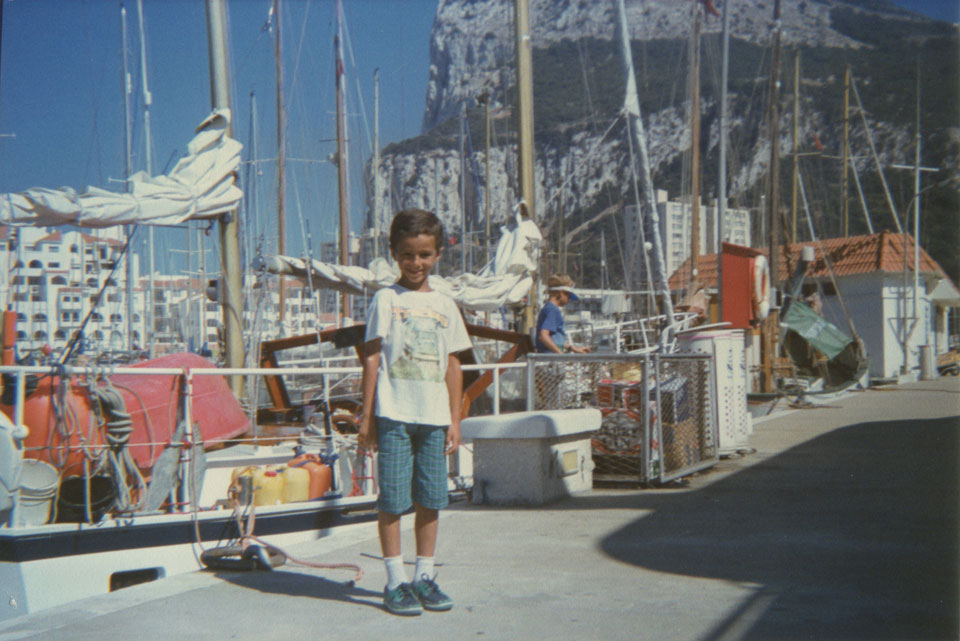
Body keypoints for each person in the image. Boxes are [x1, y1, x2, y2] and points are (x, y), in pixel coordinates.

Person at [358, 208, 473, 616]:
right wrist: (367, 416)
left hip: (435, 418)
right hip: (394, 415)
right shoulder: (385, 299)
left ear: (438, 254)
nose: (416, 263)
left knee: (431, 499)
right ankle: (395, 580)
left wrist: (455, 419)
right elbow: (372, 358)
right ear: (394, 253)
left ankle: (424, 576)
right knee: (392, 499)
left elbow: (453, 363)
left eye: (424, 255)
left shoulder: (446, 303)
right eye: (407, 255)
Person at [535, 273, 590, 354]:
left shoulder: (547, 308)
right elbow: (543, 336)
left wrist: (573, 349)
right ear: (561, 293)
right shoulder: (553, 310)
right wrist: (560, 354)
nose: (568, 299)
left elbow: (556, 338)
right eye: (568, 295)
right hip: (550, 359)